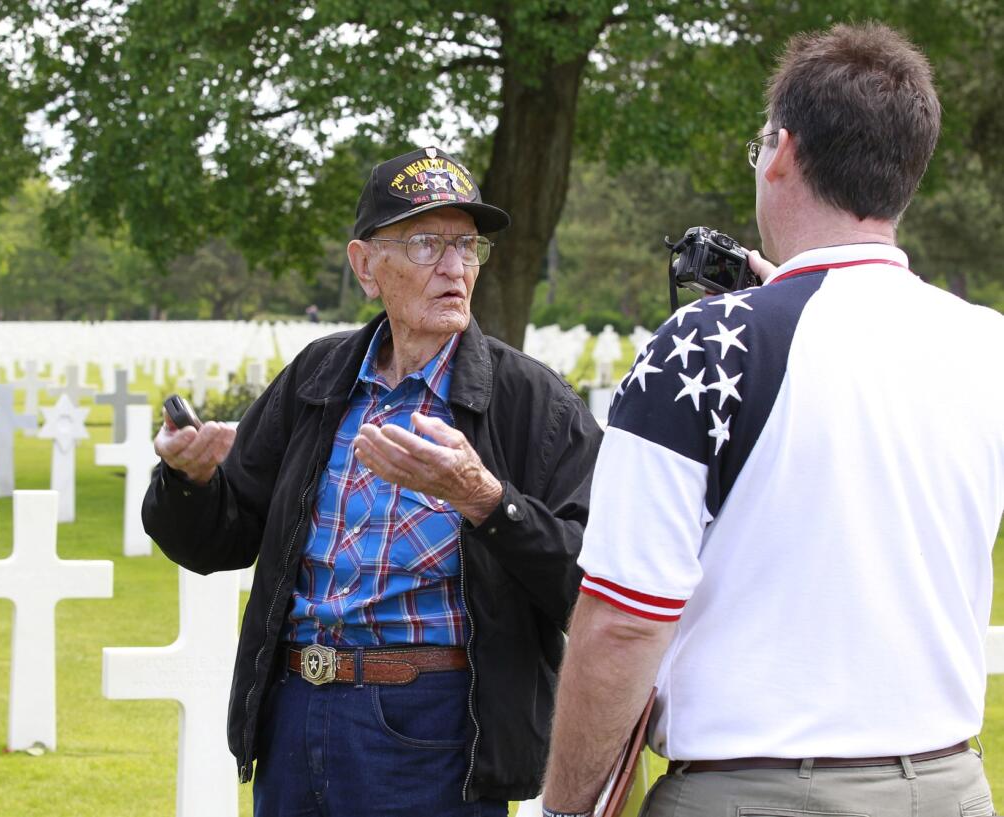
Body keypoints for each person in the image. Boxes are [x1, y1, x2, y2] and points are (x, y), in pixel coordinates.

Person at [542, 22, 1004, 817]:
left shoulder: (706, 345)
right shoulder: (987, 342)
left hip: (753, 790)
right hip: (948, 785)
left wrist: (564, 809)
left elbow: (622, 619)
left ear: (781, 151)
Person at [144, 146, 602, 815]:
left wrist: (486, 499)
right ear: (365, 266)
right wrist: (190, 479)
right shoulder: (318, 378)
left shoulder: (531, 401)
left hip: (436, 723)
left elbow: (592, 584)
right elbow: (222, 537)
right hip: (297, 709)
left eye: (467, 245)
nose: (454, 267)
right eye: (426, 243)